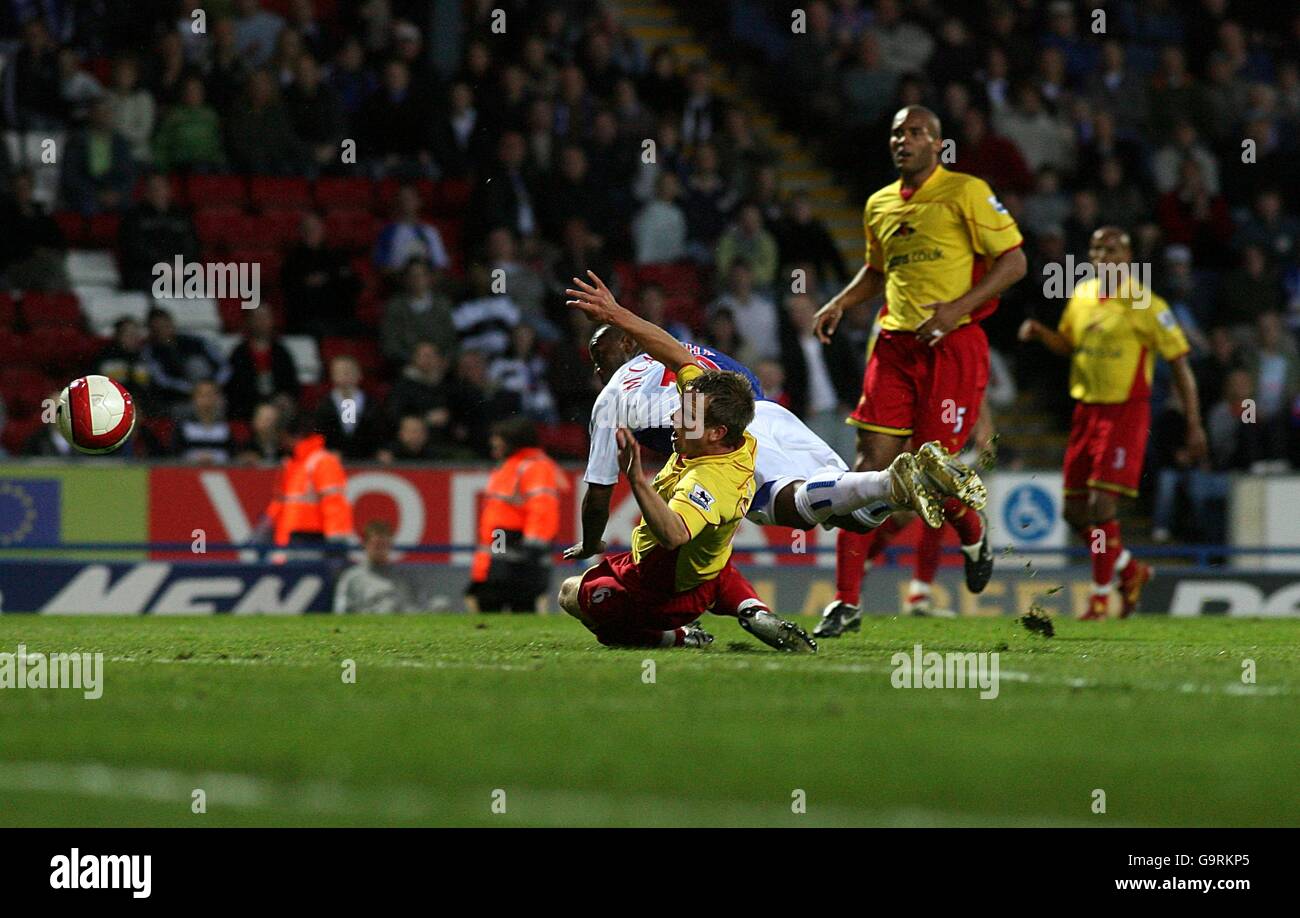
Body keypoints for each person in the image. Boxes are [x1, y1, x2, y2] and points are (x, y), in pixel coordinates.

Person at [563, 272, 980, 563]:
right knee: (849, 516)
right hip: (771, 414)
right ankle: (904, 481)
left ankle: (892, 479)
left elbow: (599, 491)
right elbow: (678, 354)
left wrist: (591, 541)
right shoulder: (670, 348)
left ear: (599, 368)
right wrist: (623, 317)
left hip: (728, 441)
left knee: (787, 504)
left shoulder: (612, 398)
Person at [811, 105, 1027, 636]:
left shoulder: (967, 192)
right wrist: (841, 301)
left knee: (929, 475)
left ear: (937, 143)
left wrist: (957, 308)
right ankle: (845, 602)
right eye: (896, 134)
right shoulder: (879, 204)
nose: (902, 141)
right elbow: (877, 269)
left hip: (953, 347)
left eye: (914, 133)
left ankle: (972, 534)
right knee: (866, 471)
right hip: (893, 347)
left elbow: (1015, 262)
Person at [557, 290, 814, 651]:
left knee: (573, 595)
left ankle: (676, 635)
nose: (674, 418)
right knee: (712, 555)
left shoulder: (708, 477)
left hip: (666, 588)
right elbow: (678, 354)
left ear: (716, 432)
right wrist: (617, 312)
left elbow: (675, 535)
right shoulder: (711, 429)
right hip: (711, 569)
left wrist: (636, 481)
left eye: (686, 415)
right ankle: (750, 606)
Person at [1019, 226, 1207, 619]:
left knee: (1102, 508)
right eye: (1096, 250)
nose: (1102, 257)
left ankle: (1101, 598)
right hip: (1085, 412)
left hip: (1126, 413)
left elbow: (1181, 368)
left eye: (1112, 251)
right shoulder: (1083, 296)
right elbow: (1069, 345)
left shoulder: (1149, 306)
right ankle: (1129, 570)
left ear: (1129, 258)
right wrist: (1041, 333)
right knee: (1073, 513)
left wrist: (1194, 423)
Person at [466, 417, 565, 613]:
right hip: (501, 538)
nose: (493, 442)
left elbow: (542, 508)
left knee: (516, 600)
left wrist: (533, 546)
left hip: (516, 542)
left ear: (513, 440)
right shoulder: (510, 466)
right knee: (492, 592)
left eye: (498, 437)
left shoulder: (533, 466)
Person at [259, 414, 354, 554]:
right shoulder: (293, 465)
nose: (281, 443)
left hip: (314, 539)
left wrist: (336, 542)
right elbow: (282, 503)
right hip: (292, 540)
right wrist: (266, 526)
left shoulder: (323, 462)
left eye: (283, 437)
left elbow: (334, 503)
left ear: (295, 436)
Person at [334, 520, 421, 614]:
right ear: (365, 544)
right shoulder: (351, 578)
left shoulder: (404, 577)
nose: (380, 550)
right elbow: (342, 612)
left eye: (384, 545)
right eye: (376, 545)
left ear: (390, 545)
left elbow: (415, 608)